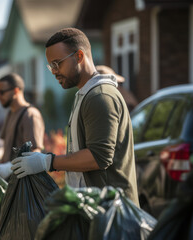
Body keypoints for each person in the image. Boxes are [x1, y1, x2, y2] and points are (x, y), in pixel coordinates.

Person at [10, 28, 139, 205]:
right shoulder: (86, 95)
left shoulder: (100, 97)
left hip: (112, 216)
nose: (54, 71)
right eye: (50, 66)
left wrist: (48, 162)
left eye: (57, 64)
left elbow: (99, 157)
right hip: (97, 211)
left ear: (79, 56)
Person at [0, 73, 45, 180]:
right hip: (11, 183)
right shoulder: (10, 114)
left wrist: (10, 168)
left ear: (16, 91)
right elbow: (6, 148)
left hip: (24, 185)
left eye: (2, 92)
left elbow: (35, 152)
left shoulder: (30, 115)